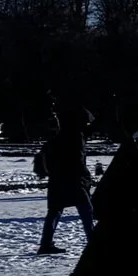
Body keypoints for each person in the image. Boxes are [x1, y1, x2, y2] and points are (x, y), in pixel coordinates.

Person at [35, 106, 96, 254]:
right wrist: (87, 178)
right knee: (86, 211)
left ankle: (45, 244)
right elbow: (78, 161)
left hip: (57, 180)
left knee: (54, 211)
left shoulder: (59, 136)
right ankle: (94, 242)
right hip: (75, 181)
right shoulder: (77, 137)